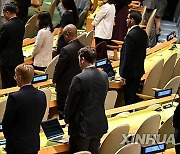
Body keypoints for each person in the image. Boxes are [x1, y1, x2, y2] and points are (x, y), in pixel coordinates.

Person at [64, 46, 109, 154]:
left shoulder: (79, 78)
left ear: (82, 59)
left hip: (82, 128)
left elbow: (70, 104)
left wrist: (67, 120)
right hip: (98, 124)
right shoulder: (104, 75)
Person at [2, 64, 47, 154]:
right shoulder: (42, 94)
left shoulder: (15, 97)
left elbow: (6, 123)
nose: (14, 78)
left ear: (19, 77)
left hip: (17, 145)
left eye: (15, 76)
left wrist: (10, 138)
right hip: (34, 143)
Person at [53, 24, 84, 119]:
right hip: (79, 84)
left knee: (63, 112)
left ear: (67, 34)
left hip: (65, 86)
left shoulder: (66, 50)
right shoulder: (83, 47)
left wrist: (54, 80)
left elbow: (59, 68)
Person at [119, 11, 148, 105]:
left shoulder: (130, 36)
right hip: (138, 70)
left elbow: (127, 56)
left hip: (130, 73)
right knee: (133, 96)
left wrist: (123, 75)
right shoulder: (143, 33)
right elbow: (143, 53)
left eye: (128, 18)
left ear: (132, 20)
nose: (126, 20)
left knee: (128, 98)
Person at [0, 3, 25, 89]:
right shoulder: (22, 23)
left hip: (7, 60)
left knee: (7, 85)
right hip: (18, 57)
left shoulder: (6, 26)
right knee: (16, 83)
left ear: (7, 12)